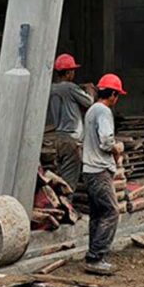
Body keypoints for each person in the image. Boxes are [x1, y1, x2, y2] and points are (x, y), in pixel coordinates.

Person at [81, 73, 126, 276]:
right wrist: (117, 148)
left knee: (97, 214)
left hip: (89, 170)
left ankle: (93, 253)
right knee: (111, 212)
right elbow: (106, 142)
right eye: (118, 96)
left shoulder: (91, 110)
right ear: (114, 94)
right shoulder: (104, 111)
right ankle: (96, 257)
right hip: (99, 170)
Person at [46, 54, 93, 190]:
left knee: (61, 176)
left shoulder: (53, 88)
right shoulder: (70, 88)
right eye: (72, 71)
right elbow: (89, 102)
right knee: (68, 183)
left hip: (59, 139)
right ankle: (66, 209)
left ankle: (60, 206)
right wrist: (89, 90)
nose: (73, 73)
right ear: (68, 72)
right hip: (72, 139)